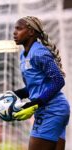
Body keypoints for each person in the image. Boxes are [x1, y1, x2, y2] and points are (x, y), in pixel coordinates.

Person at [12, 16, 70, 150]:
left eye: (19, 29)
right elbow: (34, 88)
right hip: (51, 110)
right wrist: (14, 94)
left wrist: (36, 103)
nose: (14, 32)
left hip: (52, 110)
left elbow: (59, 81)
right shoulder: (23, 55)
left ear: (31, 32)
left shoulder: (39, 53)